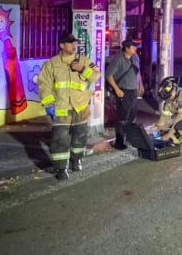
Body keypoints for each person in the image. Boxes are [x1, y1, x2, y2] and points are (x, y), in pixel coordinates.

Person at [37, 33, 101, 180]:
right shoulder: (51, 64)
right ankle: (60, 169)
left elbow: (96, 75)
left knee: (80, 136)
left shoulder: (83, 60)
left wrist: (82, 69)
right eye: (70, 43)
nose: (74, 45)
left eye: (74, 43)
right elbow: (44, 85)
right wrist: (48, 104)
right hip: (61, 107)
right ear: (62, 45)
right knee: (60, 139)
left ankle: (76, 159)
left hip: (80, 106)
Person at [105, 38, 145, 150]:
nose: (135, 49)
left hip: (133, 90)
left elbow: (138, 72)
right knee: (122, 117)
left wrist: (140, 85)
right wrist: (117, 89)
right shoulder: (118, 59)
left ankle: (129, 137)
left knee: (132, 114)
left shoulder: (135, 57)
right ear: (126, 48)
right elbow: (109, 75)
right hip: (123, 91)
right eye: (133, 47)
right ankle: (119, 141)